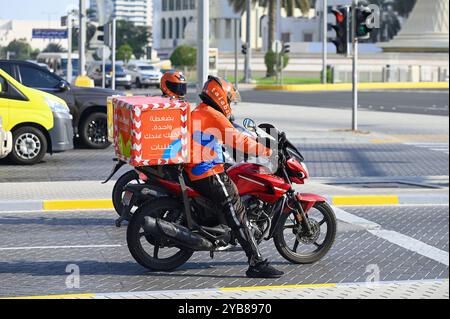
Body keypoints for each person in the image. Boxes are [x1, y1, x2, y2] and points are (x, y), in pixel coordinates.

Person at [184, 76, 284, 278]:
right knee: (236, 209)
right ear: (220, 96)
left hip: (198, 167)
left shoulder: (201, 111)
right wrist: (266, 151)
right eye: (229, 99)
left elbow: (231, 138)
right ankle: (256, 262)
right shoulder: (212, 114)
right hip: (206, 172)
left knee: (233, 176)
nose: (230, 103)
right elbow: (238, 141)